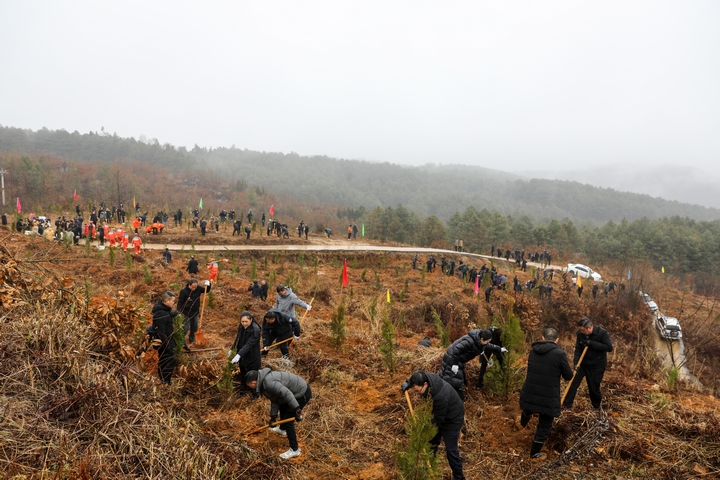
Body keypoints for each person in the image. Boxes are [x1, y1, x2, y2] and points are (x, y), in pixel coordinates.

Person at [518, 327, 573, 461]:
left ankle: (523, 420)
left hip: (530, 392)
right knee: (545, 423)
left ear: (542, 337)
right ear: (557, 340)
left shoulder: (533, 351)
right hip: (548, 396)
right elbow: (568, 376)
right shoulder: (559, 354)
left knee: (529, 406)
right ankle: (534, 453)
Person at [401, 371, 466, 480]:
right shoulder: (426, 378)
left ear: (425, 384)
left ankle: (459, 478)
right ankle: (430, 469)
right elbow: (416, 376)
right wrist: (407, 383)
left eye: (417, 391)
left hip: (452, 419)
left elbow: (437, 420)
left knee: (451, 450)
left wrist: (423, 427)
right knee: (431, 444)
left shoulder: (440, 395)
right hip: (438, 414)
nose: (416, 393)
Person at [245, 368, 312, 459]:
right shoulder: (264, 383)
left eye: (249, 385)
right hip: (294, 392)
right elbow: (275, 400)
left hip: (302, 392)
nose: (249, 388)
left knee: (288, 420)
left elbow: (287, 394)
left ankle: (295, 449)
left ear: (253, 383)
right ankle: (282, 429)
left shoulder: (268, 383)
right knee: (283, 406)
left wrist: (297, 409)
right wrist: (273, 417)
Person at [439, 329, 506, 400]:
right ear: (482, 339)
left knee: (458, 379)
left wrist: (499, 349)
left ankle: (457, 397)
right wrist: (454, 364)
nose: (487, 343)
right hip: (451, 359)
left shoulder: (479, 341)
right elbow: (456, 349)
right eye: (487, 341)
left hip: (459, 360)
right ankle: (453, 397)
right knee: (452, 379)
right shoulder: (469, 341)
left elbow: (488, 346)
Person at [562, 317, 613, 410]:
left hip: (597, 365)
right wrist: (576, 363)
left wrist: (592, 343)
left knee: (593, 388)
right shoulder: (580, 334)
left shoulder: (602, 333)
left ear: (589, 328)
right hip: (582, 364)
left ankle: (596, 407)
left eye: (582, 330)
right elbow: (578, 349)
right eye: (580, 329)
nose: (581, 332)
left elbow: (609, 347)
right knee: (573, 383)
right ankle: (566, 405)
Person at [151, 291, 180, 385]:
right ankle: (165, 381)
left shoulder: (164, 310)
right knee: (169, 360)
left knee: (164, 360)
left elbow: (168, 314)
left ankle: (164, 381)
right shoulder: (161, 313)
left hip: (167, 341)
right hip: (164, 342)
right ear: (166, 301)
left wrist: (175, 314)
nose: (173, 303)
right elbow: (161, 332)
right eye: (172, 301)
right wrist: (167, 345)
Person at [230, 311, 261, 396]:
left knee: (252, 376)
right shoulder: (241, 327)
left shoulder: (255, 330)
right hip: (243, 356)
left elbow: (249, 344)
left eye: (246, 321)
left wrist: (239, 355)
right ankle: (243, 391)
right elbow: (238, 338)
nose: (244, 323)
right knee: (243, 374)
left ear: (251, 320)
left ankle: (255, 394)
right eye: (242, 321)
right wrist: (232, 349)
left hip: (252, 357)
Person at [177, 279, 211, 344]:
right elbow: (180, 302)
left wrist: (208, 285)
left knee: (194, 327)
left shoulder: (198, 288)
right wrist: (179, 312)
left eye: (195, 287)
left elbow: (206, 290)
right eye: (192, 287)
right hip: (186, 313)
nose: (194, 288)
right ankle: (180, 341)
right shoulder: (184, 292)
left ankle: (192, 339)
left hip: (195, 312)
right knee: (185, 328)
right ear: (189, 285)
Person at [476, 326, 504, 391]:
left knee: (501, 362)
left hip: (497, 347)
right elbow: (482, 344)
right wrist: (484, 357)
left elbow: (500, 350)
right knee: (484, 364)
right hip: (487, 347)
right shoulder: (488, 333)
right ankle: (480, 384)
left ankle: (502, 382)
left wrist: (493, 359)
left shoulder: (502, 337)